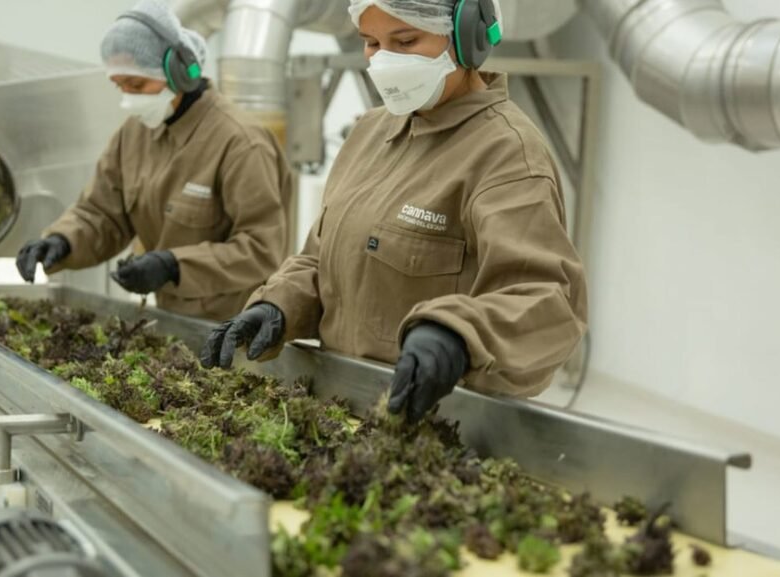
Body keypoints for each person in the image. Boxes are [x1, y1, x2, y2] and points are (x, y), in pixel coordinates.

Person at [201, 0, 587, 423]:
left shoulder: (506, 153)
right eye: (371, 43)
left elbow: (548, 303)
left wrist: (456, 336)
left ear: (466, 38)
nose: (384, 60)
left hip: (436, 426)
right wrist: (277, 305)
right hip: (340, 411)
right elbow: (322, 259)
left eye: (405, 40)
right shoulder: (369, 132)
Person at [17, 0, 292, 321]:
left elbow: (261, 250)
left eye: (137, 85)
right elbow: (102, 214)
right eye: (119, 85)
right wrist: (61, 241)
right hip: (170, 321)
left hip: (234, 331)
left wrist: (173, 266)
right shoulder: (133, 135)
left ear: (180, 74)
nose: (128, 99)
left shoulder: (241, 143)